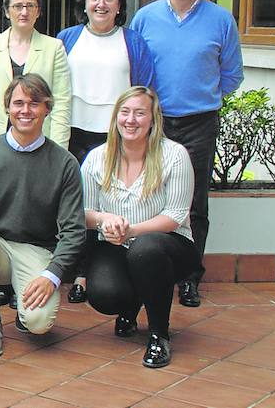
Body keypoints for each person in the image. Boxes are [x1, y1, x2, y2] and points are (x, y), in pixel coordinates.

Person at [130, 0, 244, 308]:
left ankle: (190, 277)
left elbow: (232, 74)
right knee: (148, 195)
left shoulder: (220, 20)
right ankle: (147, 268)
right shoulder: (145, 17)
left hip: (199, 122)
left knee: (194, 203)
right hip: (155, 122)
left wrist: (202, 96)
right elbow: (134, 66)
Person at [0, 74, 87, 358]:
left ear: (47, 109)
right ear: (7, 107)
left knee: (39, 324)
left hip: (37, 251)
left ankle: (25, 306)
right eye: (18, 103)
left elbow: (74, 230)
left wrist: (52, 275)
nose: (25, 110)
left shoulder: (64, 163)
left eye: (34, 103)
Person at [55, 0, 157, 304]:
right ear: (83, 4)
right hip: (74, 134)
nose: (101, 4)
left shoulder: (133, 42)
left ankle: (115, 268)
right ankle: (79, 273)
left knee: (111, 203)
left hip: (116, 137)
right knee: (78, 205)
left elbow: (145, 91)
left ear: (119, 6)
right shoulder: (66, 39)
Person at [81, 87, 196, 368]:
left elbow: (176, 215)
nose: (131, 120)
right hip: (115, 244)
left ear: (153, 120)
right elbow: (82, 212)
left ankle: (159, 335)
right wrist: (105, 221)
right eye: (125, 112)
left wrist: (130, 230)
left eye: (140, 113)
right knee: (105, 295)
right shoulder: (97, 157)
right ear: (116, 117)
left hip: (169, 245)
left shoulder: (175, 155)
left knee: (145, 251)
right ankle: (129, 306)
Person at [0, 0, 71, 150]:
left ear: (38, 11)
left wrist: (58, 150)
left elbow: (61, 102)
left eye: (30, 6)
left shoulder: (54, 48)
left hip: (41, 141)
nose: (24, 12)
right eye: (18, 6)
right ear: (7, 12)